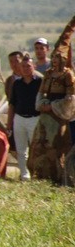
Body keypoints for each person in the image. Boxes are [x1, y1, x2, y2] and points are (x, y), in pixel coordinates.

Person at [28, 19, 75, 184]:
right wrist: (42, 104)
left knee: (58, 147)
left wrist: (53, 107)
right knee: (40, 144)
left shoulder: (68, 75)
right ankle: (40, 175)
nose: (55, 60)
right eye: (53, 57)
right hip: (46, 114)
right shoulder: (48, 74)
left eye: (58, 57)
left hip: (59, 114)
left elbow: (70, 98)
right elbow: (41, 92)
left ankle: (60, 177)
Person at [7, 55, 41, 181]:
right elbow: (12, 104)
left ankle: (36, 173)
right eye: (23, 66)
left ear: (34, 66)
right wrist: (9, 124)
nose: (26, 69)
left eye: (28, 66)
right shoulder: (17, 84)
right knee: (21, 149)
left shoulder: (40, 82)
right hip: (19, 118)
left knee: (35, 148)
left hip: (34, 118)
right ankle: (24, 174)